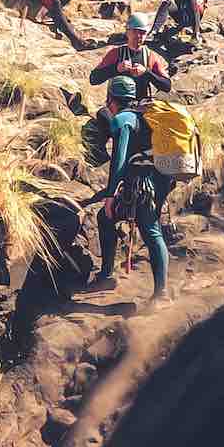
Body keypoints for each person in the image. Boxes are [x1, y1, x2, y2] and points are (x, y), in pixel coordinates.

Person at [84, 75, 172, 301]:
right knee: (149, 229)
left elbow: (119, 159)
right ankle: (156, 290)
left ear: (110, 98)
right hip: (160, 181)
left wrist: (111, 194)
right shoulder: (145, 115)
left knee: (136, 226)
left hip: (141, 184)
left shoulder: (122, 119)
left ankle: (109, 277)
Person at [88, 12, 172, 100]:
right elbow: (93, 79)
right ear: (127, 32)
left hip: (140, 106)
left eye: (142, 32)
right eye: (134, 31)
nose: (138, 36)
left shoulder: (150, 56)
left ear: (146, 34)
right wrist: (116, 68)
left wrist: (146, 72)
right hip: (118, 106)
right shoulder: (115, 53)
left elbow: (167, 86)